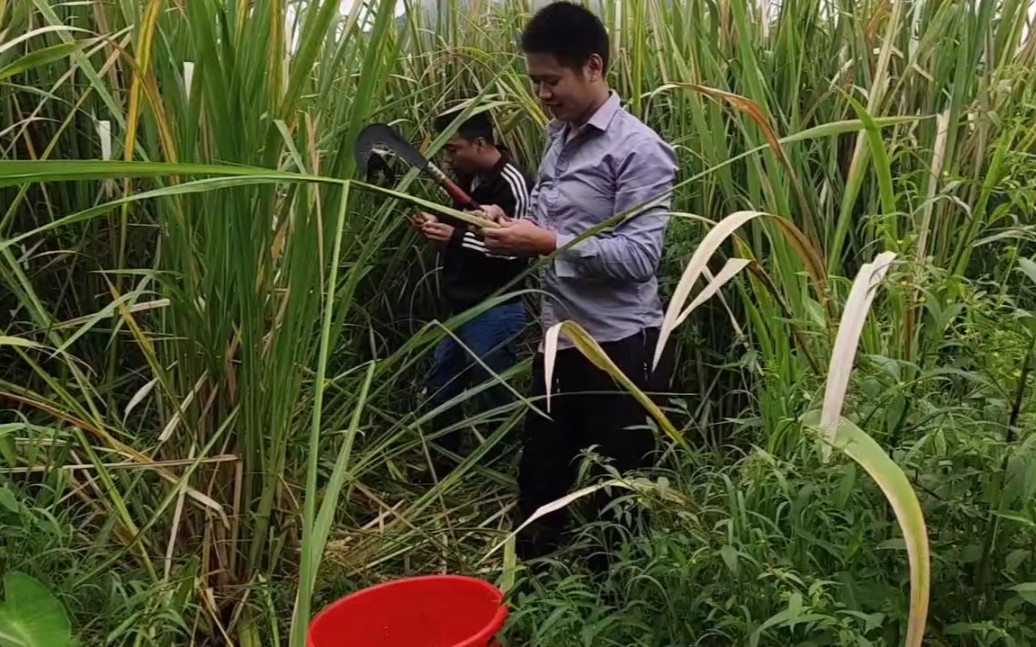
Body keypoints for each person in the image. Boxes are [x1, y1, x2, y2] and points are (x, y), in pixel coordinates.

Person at [477, 1, 679, 562]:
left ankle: (615, 606)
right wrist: (510, 225)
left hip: (618, 347)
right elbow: (549, 217)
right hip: (557, 341)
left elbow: (640, 257)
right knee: (540, 476)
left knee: (618, 493)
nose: (542, 93)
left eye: (551, 80)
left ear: (593, 66)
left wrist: (547, 244)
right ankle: (533, 586)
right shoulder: (558, 136)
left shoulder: (639, 150)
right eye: (535, 82)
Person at [414, 110, 532, 476]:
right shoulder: (468, 178)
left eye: (453, 149)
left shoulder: (511, 183)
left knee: (491, 391)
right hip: (462, 304)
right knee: (442, 381)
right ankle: (442, 465)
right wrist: (439, 227)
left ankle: (496, 475)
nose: (448, 159)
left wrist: (454, 238)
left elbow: (519, 250)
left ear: (480, 143)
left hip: (496, 304)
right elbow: (465, 232)